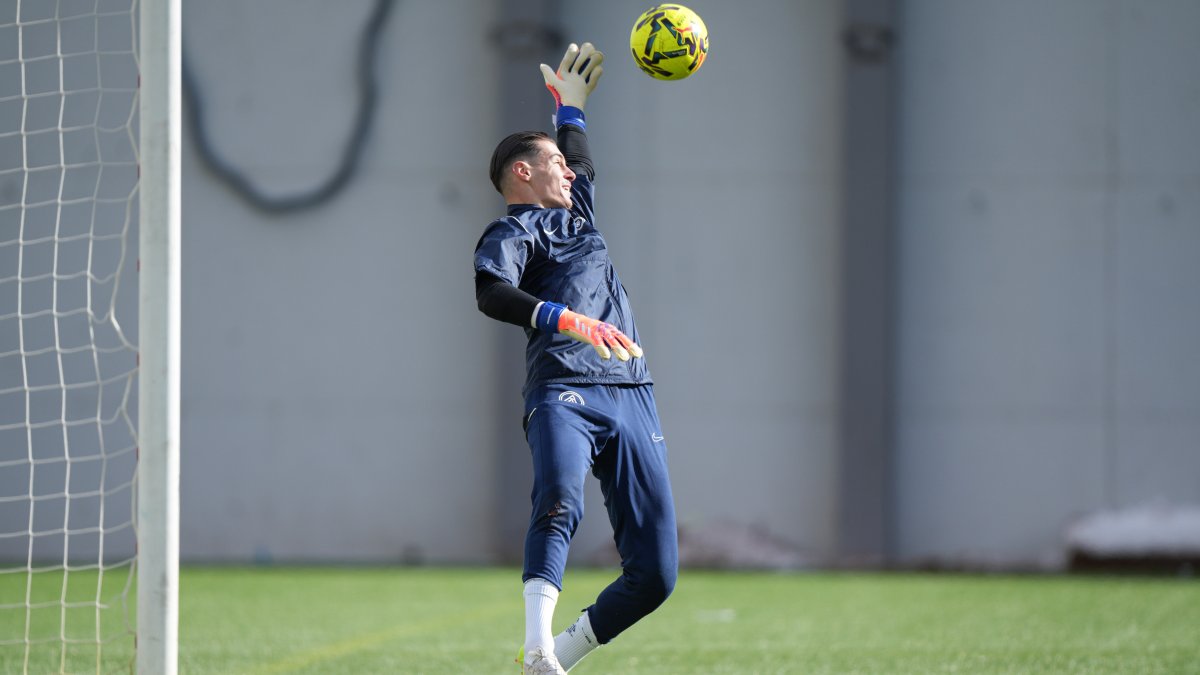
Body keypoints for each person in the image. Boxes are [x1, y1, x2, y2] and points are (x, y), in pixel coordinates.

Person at [473, 42, 679, 674]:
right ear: (524, 174)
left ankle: (549, 662)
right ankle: (536, 641)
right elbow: (491, 291)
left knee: (657, 575)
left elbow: (581, 158)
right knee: (561, 495)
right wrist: (568, 319)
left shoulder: (579, 213)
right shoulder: (514, 230)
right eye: (555, 164)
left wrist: (572, 108)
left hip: (630, 388)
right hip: (563, 385)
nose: (570, 172)